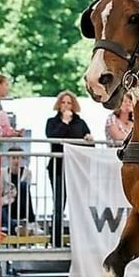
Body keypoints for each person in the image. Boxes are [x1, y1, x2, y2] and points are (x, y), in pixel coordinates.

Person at [45, 90, 94, 247]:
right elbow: (53, 137)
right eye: (63, 102)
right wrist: (64, 123)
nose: (66, 105)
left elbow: (88, 142)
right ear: (59, 105)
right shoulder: (52, 122)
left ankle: (78, 241)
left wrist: (89, 139)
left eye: (69, 103)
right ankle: (56, 240)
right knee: (59, 204)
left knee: (79, 205)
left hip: (77, 169)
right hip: (58, 168)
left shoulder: (80, 123)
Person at [0, 145, 37, 236]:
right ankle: (15, 228)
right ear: (8, 159)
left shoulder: (27, 173)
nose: (16, 161)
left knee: (23, 185)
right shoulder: (2, 173)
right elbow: (0, 193)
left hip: (21, 204)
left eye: (18, 158)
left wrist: (15, 193)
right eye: (13, 158)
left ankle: (31, 222)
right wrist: (7, 197)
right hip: (8, 204)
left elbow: (26, 192)